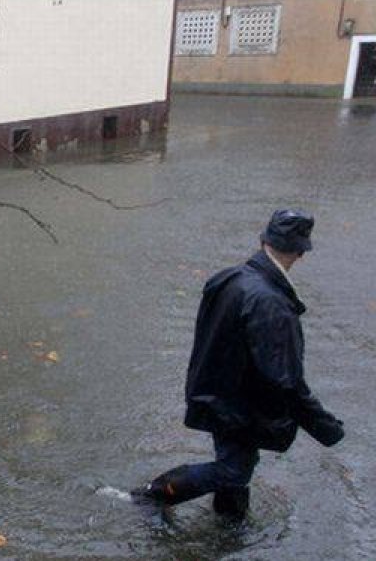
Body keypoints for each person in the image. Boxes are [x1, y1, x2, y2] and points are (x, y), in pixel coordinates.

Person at [132, 209, 345, 518]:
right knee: (233, 472)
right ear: (301, 253)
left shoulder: (229, 277)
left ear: (263, 241)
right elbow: (286, 382)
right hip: (239, 406)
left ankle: (230, 527)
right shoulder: (271, 304)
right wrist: (326, 429)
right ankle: (152, 495)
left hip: (218, 394)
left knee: (236, 465)